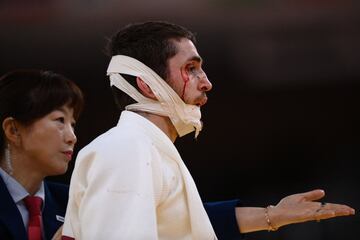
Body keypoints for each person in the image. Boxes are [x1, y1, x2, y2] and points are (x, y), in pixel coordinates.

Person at [62, 21, 355, 240]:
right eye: (191, 68)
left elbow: (183, 224)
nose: (206, 82)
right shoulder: (128, 148)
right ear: (147, 84)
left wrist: (271, 216)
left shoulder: (146, 148)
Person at [0, 69, 84, 240]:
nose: (72, 137)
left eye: (72, 124)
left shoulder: (75, 203)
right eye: (60, 120)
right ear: (13, 130)